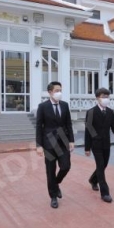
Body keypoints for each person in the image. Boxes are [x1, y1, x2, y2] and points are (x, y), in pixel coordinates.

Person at [36, 81, 75, 209]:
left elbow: (69, 124)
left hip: (63, 141)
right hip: (49, 143)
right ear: (50, 92)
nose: (59, 93)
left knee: (66, 166)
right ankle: (53, 196)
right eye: (56, 90)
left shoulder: (65, 105)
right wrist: (39, 145)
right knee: (50, 170)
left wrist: (71, 140)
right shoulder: (42, 107)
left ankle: (56, 184)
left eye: (60, 90)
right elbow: (39, 127)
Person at [85, 88, 114, 203]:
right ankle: (105, 193)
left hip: (106, 143)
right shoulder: (91, 112)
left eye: (107, 96)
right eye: (103, 96)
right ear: (97, 98)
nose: (106, 99)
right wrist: (87, 148)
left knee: (104, 165)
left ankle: (93, 180)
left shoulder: (110, 112)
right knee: (101, 166)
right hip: (95, 144)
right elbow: (89, 130)